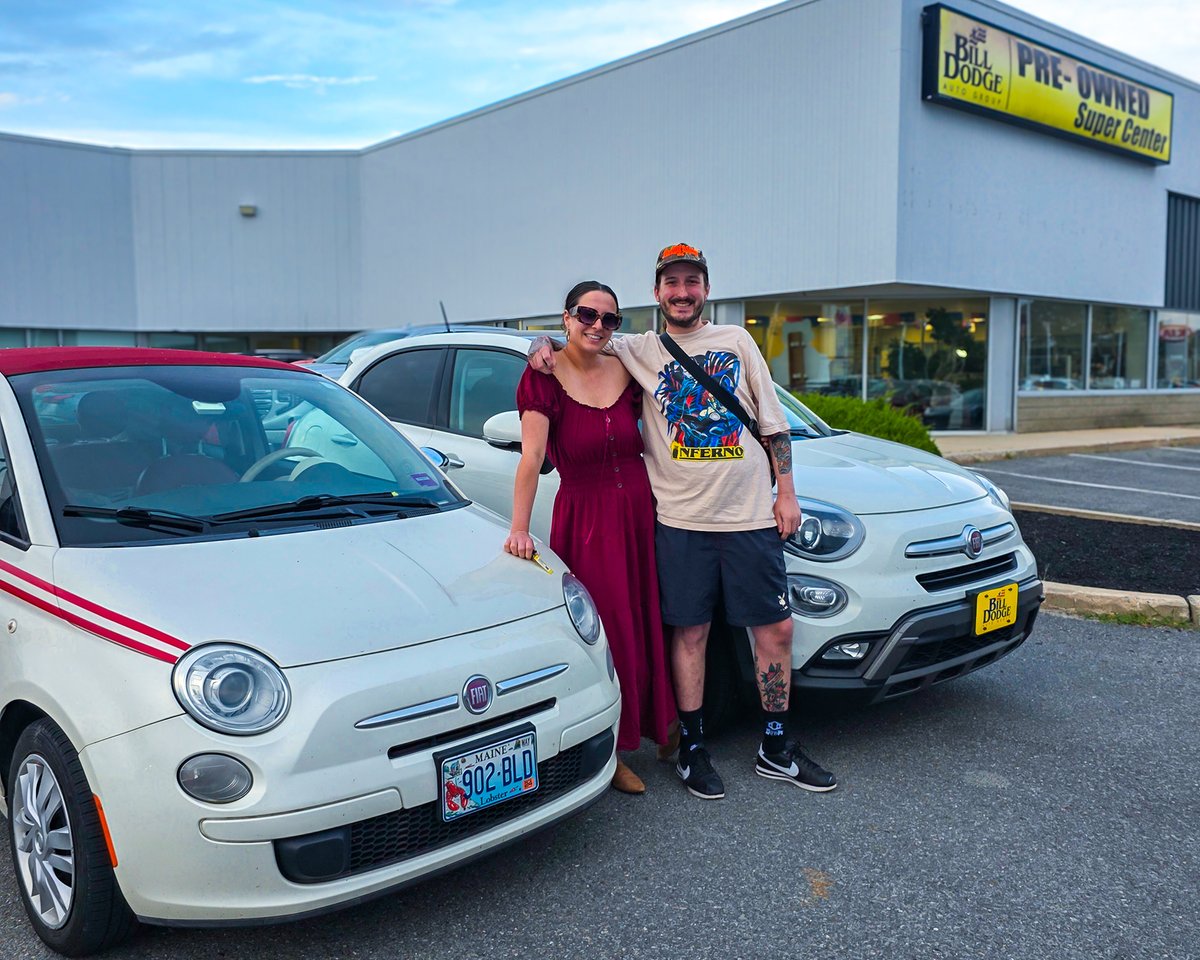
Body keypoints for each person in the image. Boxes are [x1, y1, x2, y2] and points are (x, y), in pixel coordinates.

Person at [529, 244, 837, 800]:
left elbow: (774, 426)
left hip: (748, 516)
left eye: (692, 281)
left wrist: (785, 492)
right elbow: (577, 341)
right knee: (689, 633)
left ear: (705, 289)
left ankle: (776, 745)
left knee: (775, 630)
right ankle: (692, 748)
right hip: (679, 519)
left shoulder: (737, 343)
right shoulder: (637, 348)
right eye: (672, 282)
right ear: (657, 293)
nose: (682, 292)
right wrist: (539, 345)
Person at [505, 281, 676, 795]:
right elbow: (532, 459)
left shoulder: (627, 368)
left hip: (640, 511)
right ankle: (616, 745)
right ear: (566, 317)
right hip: (588, 519)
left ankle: (662, 725)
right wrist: (518, 529)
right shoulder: (542, 376)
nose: (598, 326)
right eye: (587, 314)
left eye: (610, 319)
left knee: (651, 618)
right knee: (612, 630)